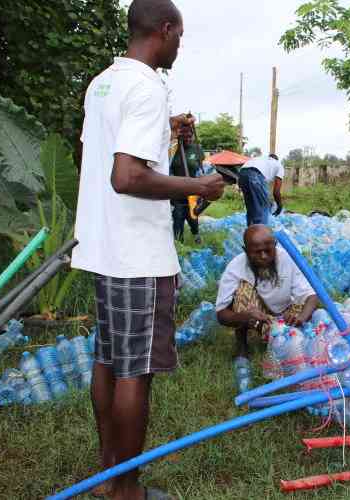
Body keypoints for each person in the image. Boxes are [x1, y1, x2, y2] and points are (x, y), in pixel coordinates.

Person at [70, 1, 226, 498]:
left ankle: (106, 473)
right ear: (165, 30)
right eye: (179, 36)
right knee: (135, 370)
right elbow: (127, 176)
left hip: (103, 245)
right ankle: (126, 490)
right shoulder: (147, 87)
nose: (180, 45)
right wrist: (197, 185)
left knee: (108, 361)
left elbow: (100, 153)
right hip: (137, 253)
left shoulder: (105, 82)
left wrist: (165, 132)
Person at [215, 225, 318, 361]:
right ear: (245, 250)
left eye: (268, 250)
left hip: (287, 313)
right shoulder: (235, 268)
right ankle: (242, 345)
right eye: (257, 252)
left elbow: (312, 295)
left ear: (275, 245)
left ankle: (286, 335)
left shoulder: (287, 258)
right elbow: (221, 314)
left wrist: (301, 318)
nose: (263, 256)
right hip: (258, 317)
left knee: (311, 313)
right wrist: (244, 317)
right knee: (242, 290)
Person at [170, 135, 204, 244]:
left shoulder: (197, 149)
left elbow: (201, 169)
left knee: (193, 218)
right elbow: (168, 169)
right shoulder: (173, 149)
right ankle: (179, 246)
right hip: (177, 192)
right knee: (178, 219)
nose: (188, 139)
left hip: (193, 191)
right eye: (186, 136)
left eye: (190, 136)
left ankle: (197, 237)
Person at [237, 154, 284, 225]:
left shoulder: (260, 159)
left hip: (241, 175)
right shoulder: (279, 165)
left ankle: (250, 233)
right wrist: (279, 205)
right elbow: (276, 192)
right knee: (263, 209)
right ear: (276, 160)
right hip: (255, 176)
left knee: (251, 209)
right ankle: (260, 233)